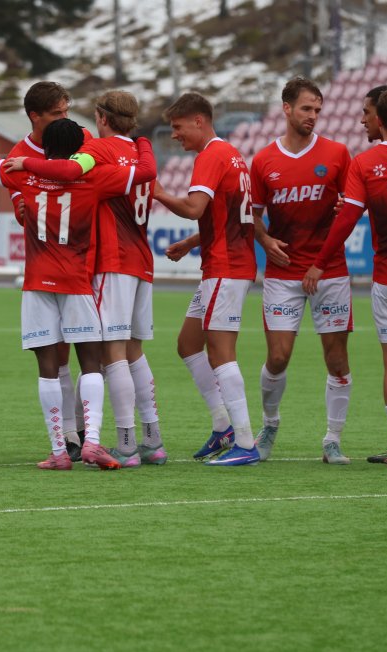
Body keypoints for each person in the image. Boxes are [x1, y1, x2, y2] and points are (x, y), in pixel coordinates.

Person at [0, 118, 157, 470]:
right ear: (78, 150)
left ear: (45, 149)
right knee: (91, 362)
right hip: (77, 283)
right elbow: (146, 172)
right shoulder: (94, 177)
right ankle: (92, 443)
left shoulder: (24, 175)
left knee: (48, 368)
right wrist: (142, 143)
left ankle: (60, 451)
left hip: (37, 285)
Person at [3, 90, 166, 468]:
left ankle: (108, 445)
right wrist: (144, 142)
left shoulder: (62, 162)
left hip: (96, 266)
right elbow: (145, 172)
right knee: (126, 353)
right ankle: (146, 439)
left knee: (105, 356)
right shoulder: (120, 160)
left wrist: (19, 163)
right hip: (133, 263)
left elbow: (63, 171)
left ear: (102, 118)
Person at [304, 88, 387, 468]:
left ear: (380, 119)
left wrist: (319, 262)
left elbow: (347, 218)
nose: (362, 120)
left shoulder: (365, 163)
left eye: (366, 113)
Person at [247, 77, 352, 465]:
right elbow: (252, 216)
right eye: (307, 108)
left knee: (337, 360)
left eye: (318, 110)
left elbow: (353, 206)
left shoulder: (338, 154)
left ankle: (333, 439)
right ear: (287, 108)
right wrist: (265, 240)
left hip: (330, 271)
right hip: (284, 272)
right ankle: (269, 424)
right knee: (278, 358)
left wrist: (345, 208)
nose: (313, 116)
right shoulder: (264, 161)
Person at [153, 92, 260, 467]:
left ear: (198, 121)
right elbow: (225, 215)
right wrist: (191, 242)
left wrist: (158, 192)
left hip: (226, 269)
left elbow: (194, 207)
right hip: (224, 265)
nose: (175, 135)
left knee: (220, 352)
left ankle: (245, 442)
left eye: (178, 127)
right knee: (188, 344)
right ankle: (223, 426)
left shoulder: (211, 156)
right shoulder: (230, 154)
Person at [8, 81, 92, 462]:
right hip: (52, 264)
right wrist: (22, 209)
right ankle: (72, 437)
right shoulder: (17, 155)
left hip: (85, 263)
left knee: (94, 353)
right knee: (60, 355)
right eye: (58, 113)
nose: (65, 118)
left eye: (66, 110)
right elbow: (21, 207)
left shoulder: (80, 138)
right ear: (35, 116)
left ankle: (87, 434)